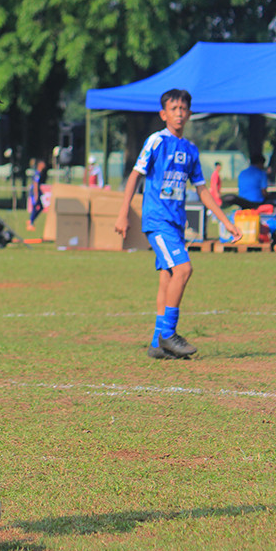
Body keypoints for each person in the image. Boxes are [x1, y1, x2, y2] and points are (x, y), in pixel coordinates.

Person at [114, 88, 240, 360]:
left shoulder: (190, 149)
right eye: (174, 109)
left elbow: (203, 190)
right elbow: (135, 175)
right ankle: (169, 334)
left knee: (168, 278)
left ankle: (157, 345)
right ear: (163, 114)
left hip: (175, 224)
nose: (179, 113)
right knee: (183, 269)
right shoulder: (156, 141)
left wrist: (225, 222)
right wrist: (123, 212)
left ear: (190, 114)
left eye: (183, 109)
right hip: (157, 220)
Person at [27, 159, 48, 230]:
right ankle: (30, 223)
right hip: (34, 192)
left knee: (41, 207)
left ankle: (31, 220)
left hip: (37, 192)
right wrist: (36, 194)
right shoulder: (37, 174)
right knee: (35, 206)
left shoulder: (39, 173)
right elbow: (35, 184)